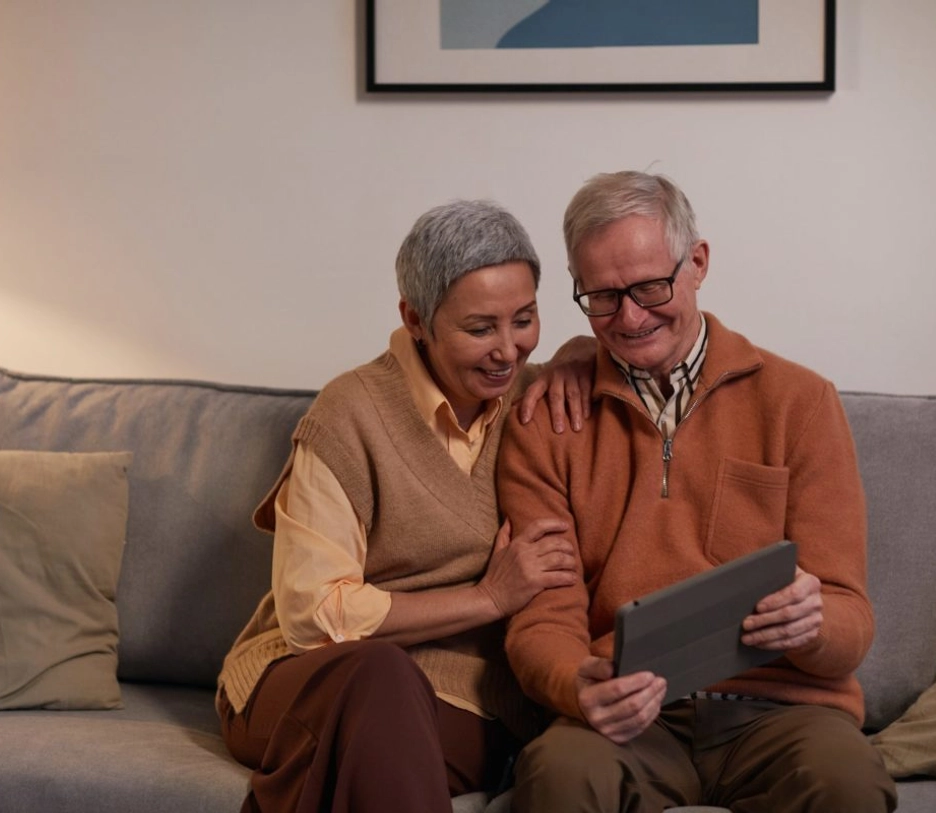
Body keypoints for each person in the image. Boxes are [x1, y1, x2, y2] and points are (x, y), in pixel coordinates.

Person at [498, 170, 898, 812]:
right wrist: (578, 684)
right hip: (631, 718)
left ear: (699, 262)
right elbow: (543, 614)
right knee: (558, 775)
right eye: (601, 297)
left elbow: (850, 616)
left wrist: (814, 625)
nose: (629, 317)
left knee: (849, 785)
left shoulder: (800, 402)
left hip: (779, 713)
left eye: (651, 286)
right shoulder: (548, 419)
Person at [216, 200, 590, 813]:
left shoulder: (541, 401)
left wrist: (583, 352)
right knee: (380, 674)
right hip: (306, 681)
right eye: (479, 329)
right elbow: (314, 614)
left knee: (374, 732)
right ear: (415, 318)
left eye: (524, 319)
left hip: (465, 702)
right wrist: (488, 599)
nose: (507, 350)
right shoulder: (349, 414)